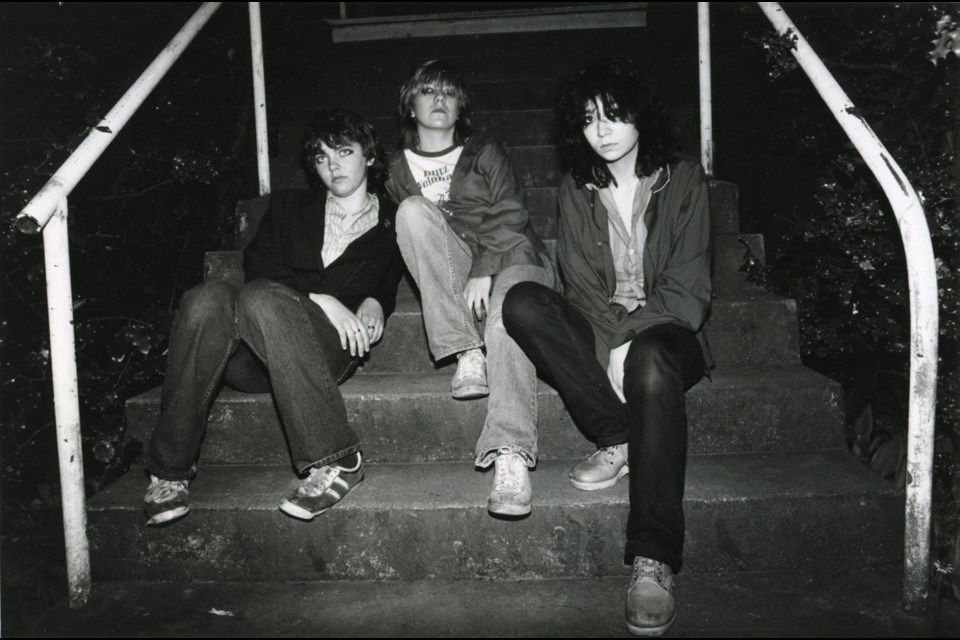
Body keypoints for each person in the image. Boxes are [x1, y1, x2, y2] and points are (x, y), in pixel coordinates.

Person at [502, 58, 712, 636]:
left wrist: (631, 337)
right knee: (521, 300)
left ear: (640, 116)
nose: (603, 129)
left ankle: (654, 559)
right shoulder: (577, 188)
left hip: (669, 333)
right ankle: (619, 435)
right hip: (605, 328)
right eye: (590, 118)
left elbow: (689, 290)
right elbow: (579, 284)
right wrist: (615, 338)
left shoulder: (684, 178)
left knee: (648, 360)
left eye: (615, 114)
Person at [143, 109, 403, 526]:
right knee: (207, 297)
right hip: (254, 351)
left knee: (262, 298)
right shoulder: (287, 207)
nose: (333, 165)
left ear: (369, 156)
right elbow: (257, 266)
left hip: (325, 348)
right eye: (321, 158)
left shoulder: (393, 221)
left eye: (343, 151)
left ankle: (338, 459)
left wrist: (376, 301)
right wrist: (324, 299)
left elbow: (388, 279)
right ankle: (168, 471)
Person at [385, 59, 556, 517]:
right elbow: (412, 242)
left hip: (516, 257)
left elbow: (511, 210)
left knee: (505, 320)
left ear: (461, 107)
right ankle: (465, 348)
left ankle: (511, 454)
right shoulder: (396, 169)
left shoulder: (485, 151)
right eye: (428, 91)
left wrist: (484, 267)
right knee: (412, 213)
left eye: (448, 93)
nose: (438, 100)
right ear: (411, 104)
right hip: (457, 273)